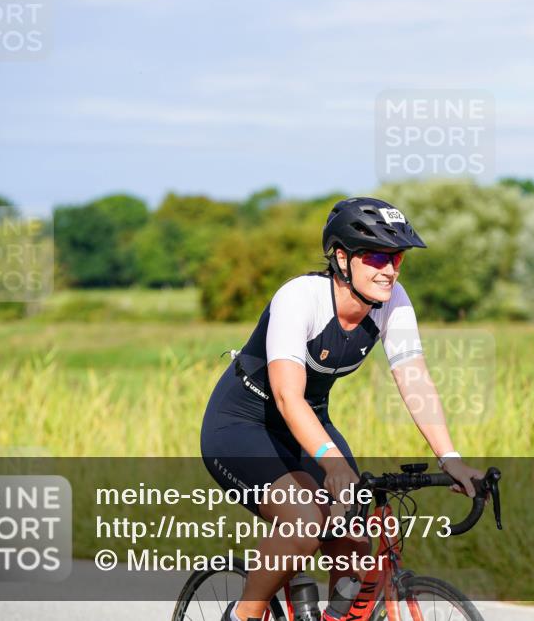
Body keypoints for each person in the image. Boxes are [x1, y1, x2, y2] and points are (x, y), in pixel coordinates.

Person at [200, 196, 484, 621]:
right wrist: (331, 461)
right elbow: (286, 396)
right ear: (340, 257)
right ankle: (242, 615)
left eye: (397, 259)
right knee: (302, 523)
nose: (388, 270)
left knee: (353, 539)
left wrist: (451, 459)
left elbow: (414, 378)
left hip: (310, 421)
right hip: (243, 424)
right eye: (375, 257)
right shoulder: (300, 298)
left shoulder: (392, 300)